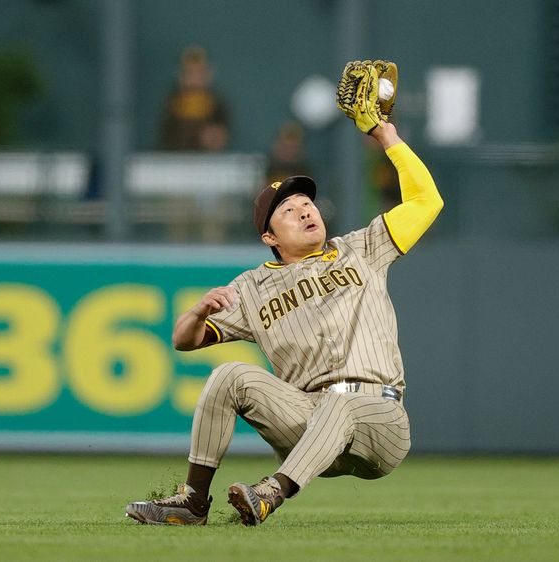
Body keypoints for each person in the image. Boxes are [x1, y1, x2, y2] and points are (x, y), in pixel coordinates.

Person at [125, 118, 444, 526]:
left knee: (340, 402)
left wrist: (387, 137)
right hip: (308, 422)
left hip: (379, 419)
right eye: (288, 210)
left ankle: (271, 493)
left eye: (307, 204)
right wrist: (198, 311)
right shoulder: (253, 286)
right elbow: (183, 341)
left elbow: (426, 201)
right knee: (228, 375)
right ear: (269, 238)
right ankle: (192, 502)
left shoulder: (362, 248)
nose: (304, 210)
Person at [157, 45, 230, 152]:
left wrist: (215, 137)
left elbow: (223, 132)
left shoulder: (216, 101)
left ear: (208, 74)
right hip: (177, 159)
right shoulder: (173, 102)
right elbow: (165, 134)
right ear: (180, 76)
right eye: (189, 73)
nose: (194, 79)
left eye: (200, 73)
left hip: (208, 161)